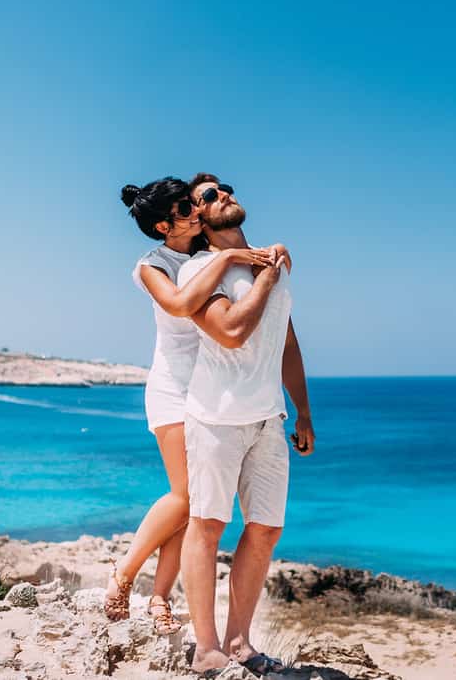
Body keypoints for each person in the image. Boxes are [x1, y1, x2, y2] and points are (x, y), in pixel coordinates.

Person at [113, 177, 289, 635]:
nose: (194, 211)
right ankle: (126, 575)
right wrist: (231, 256)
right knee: (188, 498)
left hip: (210, 388)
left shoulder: (200, 256)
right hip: (175, 388)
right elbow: (179, 306)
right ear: (162, 225)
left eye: (194, 204)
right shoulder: (154, 265)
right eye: (185, 208)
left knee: (197, 509)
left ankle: (158, 597)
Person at [175, 173, 315, 676]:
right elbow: (232, 332)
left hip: (268, 421)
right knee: (208, 525)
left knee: (266, 530)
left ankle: (239, 642)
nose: (224, 196)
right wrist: (267, 277)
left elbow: (288, 343)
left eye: (225, 188)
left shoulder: (270, 261)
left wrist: (302, 410)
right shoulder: (199, 271)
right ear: (197, 217)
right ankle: (206, 648)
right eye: (208, 196)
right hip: (214, 419)